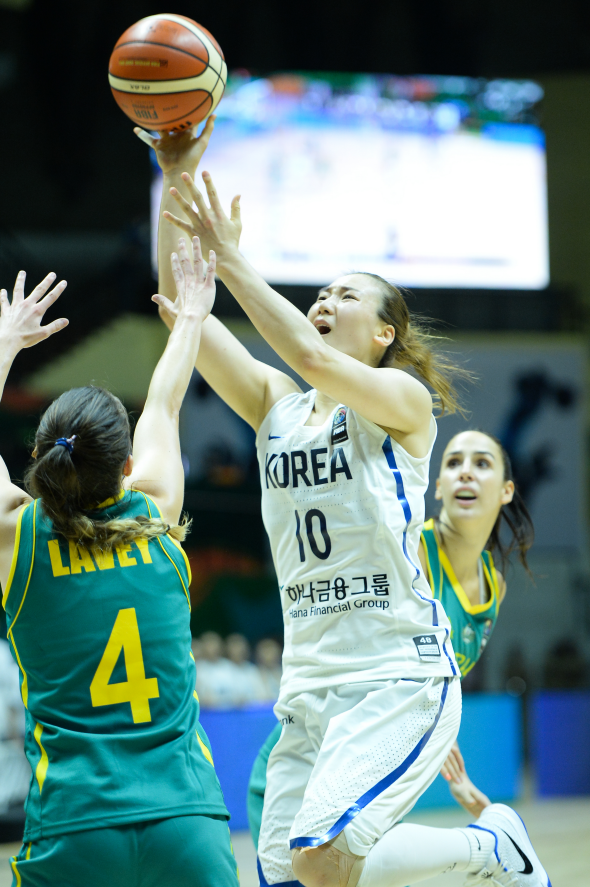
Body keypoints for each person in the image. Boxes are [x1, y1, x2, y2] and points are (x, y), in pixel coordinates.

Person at [143, 120, 550, 887]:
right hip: (308, 680)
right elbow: (182, 303)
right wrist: (180, 170)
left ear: (385, 331)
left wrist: (233, 257)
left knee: (323, 855)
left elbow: (307, 354)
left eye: (346, 294)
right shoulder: (276, 406)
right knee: (291, 875)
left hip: (395, 671)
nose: (326, 298)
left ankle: (493, 848)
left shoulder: (405, 401)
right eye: (320, 292)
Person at [0, 250, 239, 886]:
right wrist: (190, 317)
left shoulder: (15, 538)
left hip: (74, 827)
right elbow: (164, 403)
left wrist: (4, 343)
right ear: (127, 467)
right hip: (187, 823)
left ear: (41, 459)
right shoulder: (158, 518)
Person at [246, 428, 535, 846]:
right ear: (436, 486)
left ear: (507, 490)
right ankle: (487, 849)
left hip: (364, 757)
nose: (465, 473)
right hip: (308, 750)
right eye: (453, 463)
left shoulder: (494, 584)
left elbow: (426, 681)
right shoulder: (409, 548)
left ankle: (489, 849)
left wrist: (443, 746)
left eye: (481, 463)